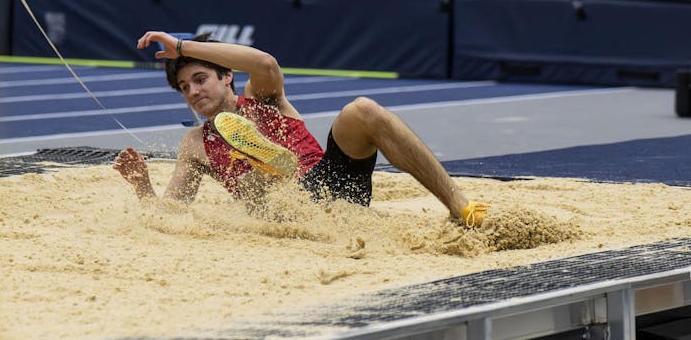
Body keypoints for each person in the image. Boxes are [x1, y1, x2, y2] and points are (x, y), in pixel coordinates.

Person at [113, 32, 489, 227]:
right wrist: (143, 187)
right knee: (254, 188)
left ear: (227, 76)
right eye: (185, 88)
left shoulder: (260, 99)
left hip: (328, 186)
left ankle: (461, 206)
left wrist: (180, 45)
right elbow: (172, 212)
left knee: (361, 110)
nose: (193, 92)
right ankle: (269, 172)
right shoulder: (194, 144)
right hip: (287, 219)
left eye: (200, 79)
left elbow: (264, 62)